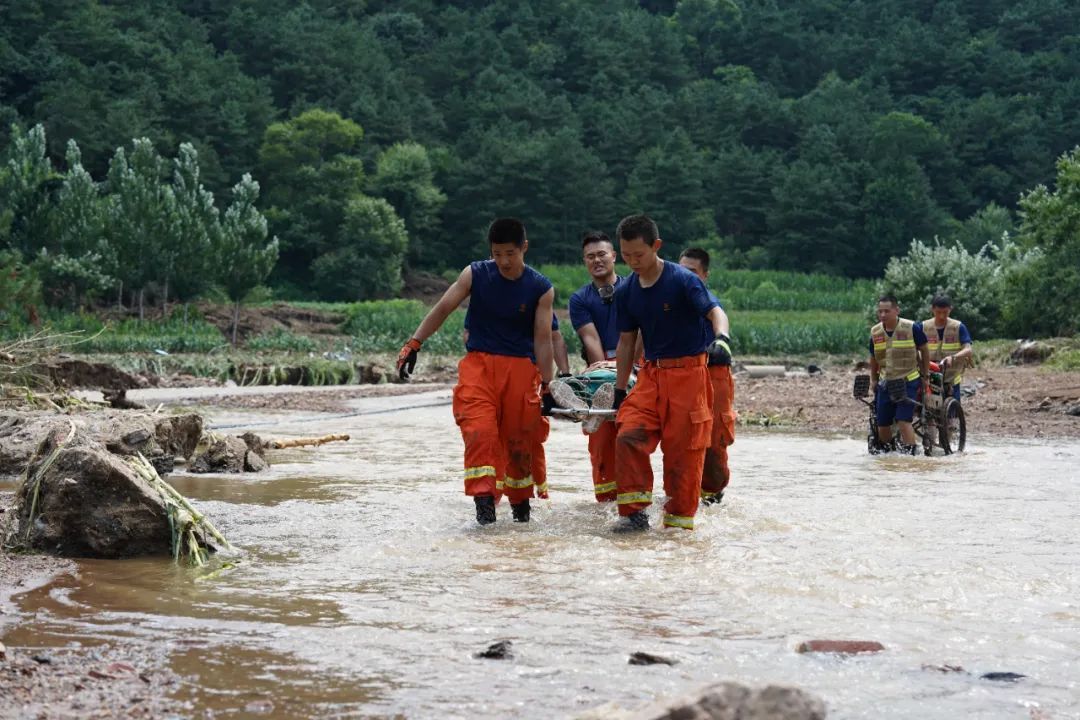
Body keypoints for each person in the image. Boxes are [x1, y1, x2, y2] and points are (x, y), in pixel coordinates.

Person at [397, 218, 555, 525]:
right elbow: (442, 308)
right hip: (479, 369)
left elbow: (543, 339)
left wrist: (548, 385)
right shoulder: (475, 273)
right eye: (497, 254)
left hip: (521, 371)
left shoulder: (541, 288)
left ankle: (521, 513)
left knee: (519, 445)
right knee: (479, 433)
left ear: (524, 247)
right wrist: (414, 343)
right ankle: (485, 516)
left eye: (510, 253)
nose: (504, 261)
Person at [610, 215, 727, 532]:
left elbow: (715, 311)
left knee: (683, 456)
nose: (632, 262)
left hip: (689, 376)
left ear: (656, 246)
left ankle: (678, 528)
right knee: (628, 433)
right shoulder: (626, 291)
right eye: (626, 255)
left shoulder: (682, 280)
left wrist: (722, 339)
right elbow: (626, 341)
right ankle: (634, 515)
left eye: (639, 254)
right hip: (650, 375)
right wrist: (621, 390)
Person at [463, 311, 567, 501]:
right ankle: (499, 495)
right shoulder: (487, 296)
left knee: (528, 437)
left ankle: (534, 495)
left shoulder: (536, 294)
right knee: (497, 436)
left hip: (527, 377)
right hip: (500, 376)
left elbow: (553, 337)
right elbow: (468, 334)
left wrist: (561, 377)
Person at [567, 230, 624, 502]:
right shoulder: (580, 299)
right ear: (584, 262)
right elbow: (590, 339)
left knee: (632, 439)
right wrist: (605, 372)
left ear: (614, 256)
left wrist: (623, 369)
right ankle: (606, 506)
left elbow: (639, 335)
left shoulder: (632, 289)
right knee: (601, 446)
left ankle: (634, 501)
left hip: (633, 366)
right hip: (600, 370)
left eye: (602, 254)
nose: (597, 260)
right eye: (590, 257)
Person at [677, 248, 735, 506]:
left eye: (691, 273)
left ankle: (711, 493)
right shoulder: (669, 302)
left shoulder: (709, 302)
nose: (685, 278)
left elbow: (719, 318)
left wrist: (723, 340)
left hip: (712, 373)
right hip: (679, 374)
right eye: (680, 272)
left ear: (705, 275)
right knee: (679, 439)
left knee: (714, 442)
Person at [869, 294, 929, 455]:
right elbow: (873, 357)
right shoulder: (875, 332)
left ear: (896, 310)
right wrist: (873, 379)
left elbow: (924, 349)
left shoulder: (911, 327)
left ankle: (911, 455)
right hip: (885, 382)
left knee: (903, 420)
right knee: (882, 423)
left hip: (908, 380)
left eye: (886, 311)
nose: (882, 315)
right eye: (880, 311)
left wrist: (926, 376)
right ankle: (889, 455)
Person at [922, 295, 973, 402]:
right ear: (932, 309)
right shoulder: (923, 326)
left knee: (952, 410)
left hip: (951, 375)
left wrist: (953, 357)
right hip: (930, 374)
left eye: (945, 312)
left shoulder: (958, 327)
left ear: (950, 309)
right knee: (931, 407)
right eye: (938, 312)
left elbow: (968, 349)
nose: (941, 316)